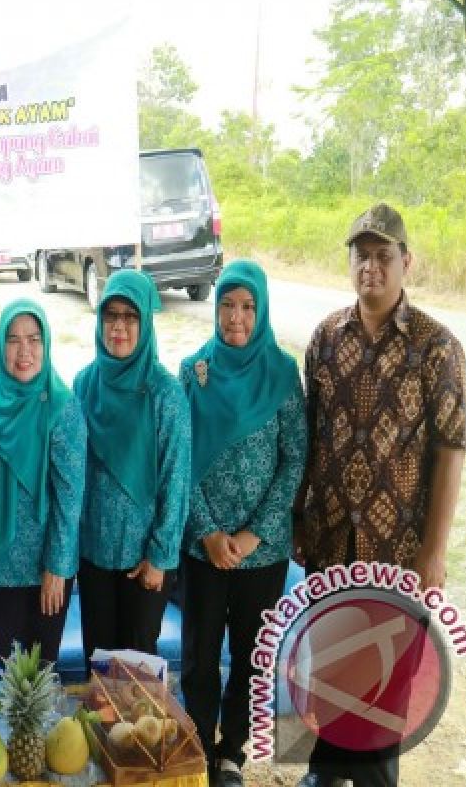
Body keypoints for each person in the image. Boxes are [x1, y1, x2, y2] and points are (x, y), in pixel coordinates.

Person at [295, 203, 466, 787]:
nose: (370, 266)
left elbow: (450, 449)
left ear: (405, 262)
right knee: (327, 670)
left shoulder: (436, 347)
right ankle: (326, 773)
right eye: (360, 255)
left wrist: (435, 551)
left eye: (382, 255)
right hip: (330, 544)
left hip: (398, 552)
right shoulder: (324, 339)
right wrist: (300, 521)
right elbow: (309, 439)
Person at [177, 261, 307, 787]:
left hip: (263, 547)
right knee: (199, 653)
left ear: (262, 310)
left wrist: (253, 533)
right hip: (203, 545)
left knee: (253, 653)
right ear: (215, 309)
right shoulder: (195, 371)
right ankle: (197, 741)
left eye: (248, 307)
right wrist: (208, 531)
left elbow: (294, 460)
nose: (236, 317)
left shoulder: (282, 371)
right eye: (228, 305)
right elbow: (180, 458)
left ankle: (230, 752)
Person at [73, 269, 190, 660]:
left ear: (146, 323)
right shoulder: (84, 385)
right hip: (94, 556)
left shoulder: (165, 392)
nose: (118, 327)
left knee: (137, 670)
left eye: (130, 316)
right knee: (99, 667)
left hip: (144, 561)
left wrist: (159, 555)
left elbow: (176, 479)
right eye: (111, 315)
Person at [0, 298, 85, 662]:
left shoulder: (62, 406)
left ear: (47, 345)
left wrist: (56, 565)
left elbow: (70, 499)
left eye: (34, 339)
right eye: (13, 339)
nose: (24, 351)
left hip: (45, 572)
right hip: (0, 565)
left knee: (36, 689)